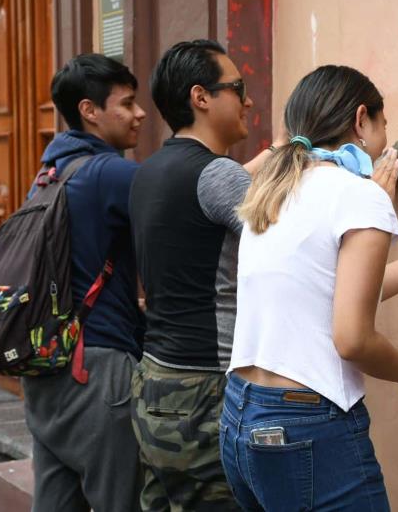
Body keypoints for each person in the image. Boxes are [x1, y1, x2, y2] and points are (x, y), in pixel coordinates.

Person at [220, 64, 398, 511]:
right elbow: (352, 337)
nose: (385, 139)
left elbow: (348, 290)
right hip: (305, 426)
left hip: (240, 420)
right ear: (361, 120)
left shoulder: (273, 192)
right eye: (384, 125)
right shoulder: (356, 194)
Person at [128, 39, 278, 511]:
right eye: (238, 88)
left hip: (153, 381)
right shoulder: (217, 175)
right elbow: (292, 246)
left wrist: (280, 153)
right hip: (204, 389)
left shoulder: (149, 171)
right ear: (201, 97)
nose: (248, 100)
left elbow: (221, 192)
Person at [22, 53, 147, 512]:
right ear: (90, 111)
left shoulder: (48, 176)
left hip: (45, 370)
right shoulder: (106, 172)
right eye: (127, 103)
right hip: (97, 372)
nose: (140, 114)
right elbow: (185, 196)